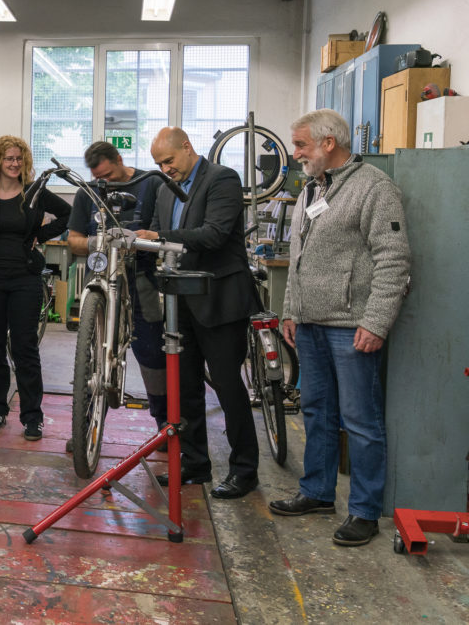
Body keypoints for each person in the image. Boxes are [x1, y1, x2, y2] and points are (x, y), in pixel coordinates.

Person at [269, 110, 410, 546]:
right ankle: (317, 491)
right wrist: (290, 310)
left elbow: (394, 259)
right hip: (310, 324)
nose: (295, 155)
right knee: (316, 412)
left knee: (360, 420)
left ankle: (364, 511)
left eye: (301, 146)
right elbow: (300, 258)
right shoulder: (313, 188)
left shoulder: (374, 188)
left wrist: (375, 321)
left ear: (329, 143)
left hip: (351, 327)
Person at [135, 126, 261, 500]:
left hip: (220, 300)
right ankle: (194, 464)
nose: (165, 168)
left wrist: (161, 239)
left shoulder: (222, 179)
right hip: (180, 301)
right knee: (185, 385)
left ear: (188, 148)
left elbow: (215, 234)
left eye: (169, 161)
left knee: (226, 385)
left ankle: (244, 470)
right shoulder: (161, 189)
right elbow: (156, 233)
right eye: (158, 163)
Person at [0, 136, 70, 440]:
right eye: (8, 158)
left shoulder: (34, 193)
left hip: (24, 278)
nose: (14, 164)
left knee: (25, 348)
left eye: (19, 159)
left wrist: (42, 233)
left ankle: (32, 416)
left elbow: (67, 214)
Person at [67, 141, 167, 441]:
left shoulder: (150, 184)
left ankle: (164, 424)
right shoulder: (89, 191)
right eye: (101, 179)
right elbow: (73, 239)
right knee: (93, 356)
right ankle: (83, 426)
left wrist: (137, 241)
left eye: (110, 176)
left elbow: (162, 231)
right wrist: (98, 244)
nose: (106, 184)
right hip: (101, 281)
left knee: (151, 352)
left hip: (141, 279)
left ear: (120, 159)